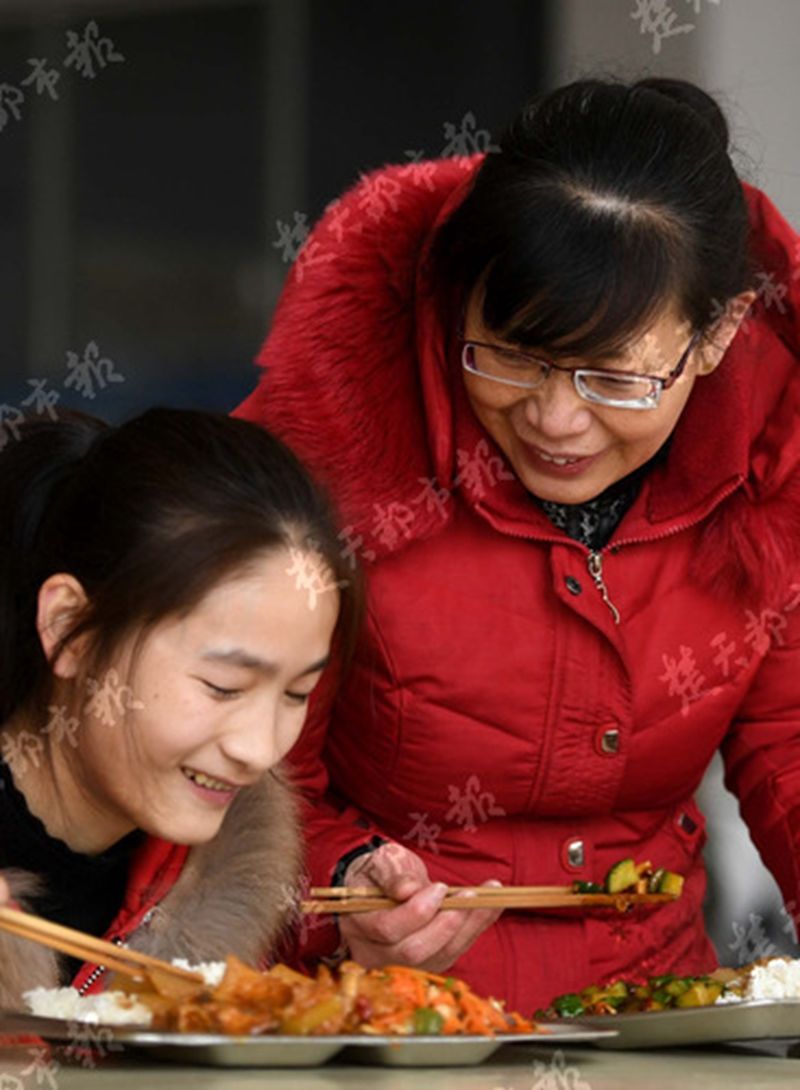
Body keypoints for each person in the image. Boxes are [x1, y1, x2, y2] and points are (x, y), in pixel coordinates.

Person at [234, 77, 800, 1013]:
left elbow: (789, 742)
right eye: (511, 355)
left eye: (612, 378)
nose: (555, 420)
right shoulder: (327, 451)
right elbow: (229, 760)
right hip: (378, 1026)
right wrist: (341, 885)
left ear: (717, 333)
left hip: (653, 1024)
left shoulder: (773, 451)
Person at [0, 407, 358, 1007]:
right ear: (68, 629)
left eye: (297, 693)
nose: (259, 749)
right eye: (223, 686)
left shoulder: (226, 880)